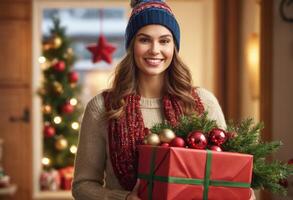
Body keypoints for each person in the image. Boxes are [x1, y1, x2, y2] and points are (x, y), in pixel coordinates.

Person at [72, 0, 255, 200]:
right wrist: (124, 199)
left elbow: (229, 175)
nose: (154, 50)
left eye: (164, 41)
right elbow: (83, 185)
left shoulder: (202, 102)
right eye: (144, 40)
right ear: (132, 45)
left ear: (174, 47)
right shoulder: (103, 107)